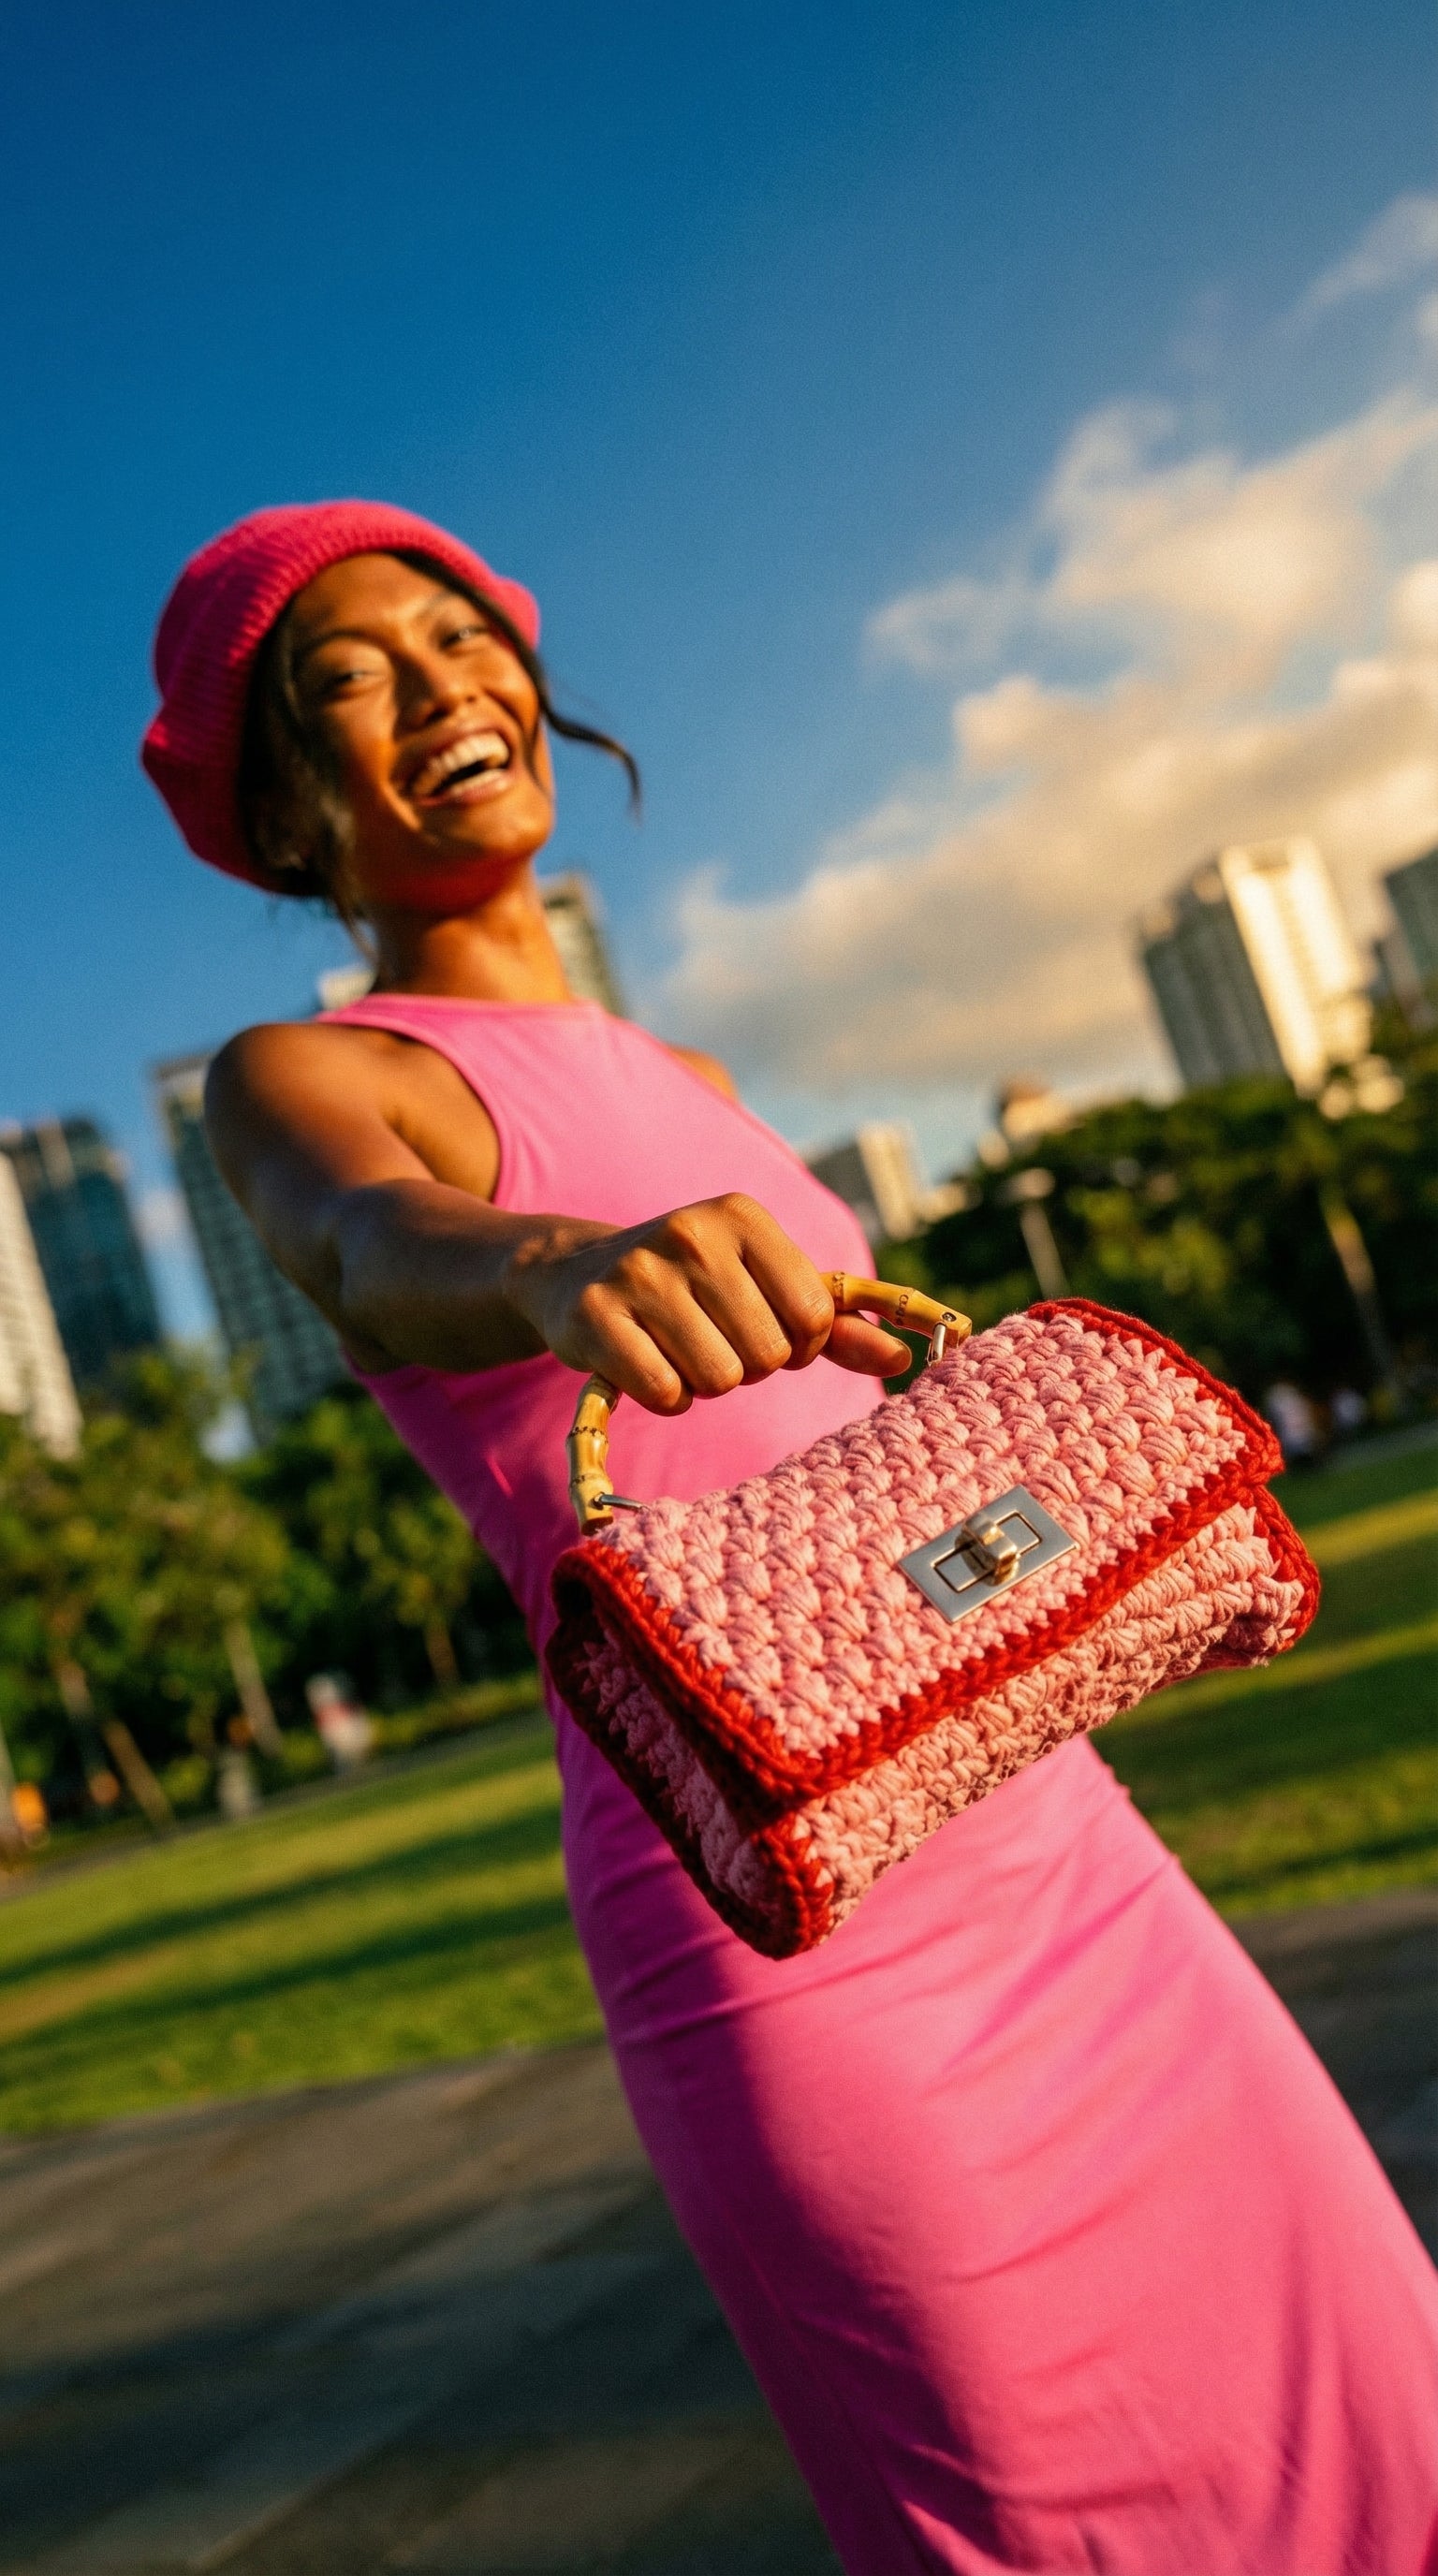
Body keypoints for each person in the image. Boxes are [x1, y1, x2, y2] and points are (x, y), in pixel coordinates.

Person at [142, 502, 1438, 2576]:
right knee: (1053, 2512)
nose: (437, 686)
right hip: (789, 1937)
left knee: (1370, 2397)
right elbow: (367, 1246)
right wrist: (557, 1260)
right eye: (345, 682)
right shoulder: (311, 1075)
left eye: (457, 634)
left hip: (1062, 1856)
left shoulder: (695, 1071)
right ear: (285, 799)